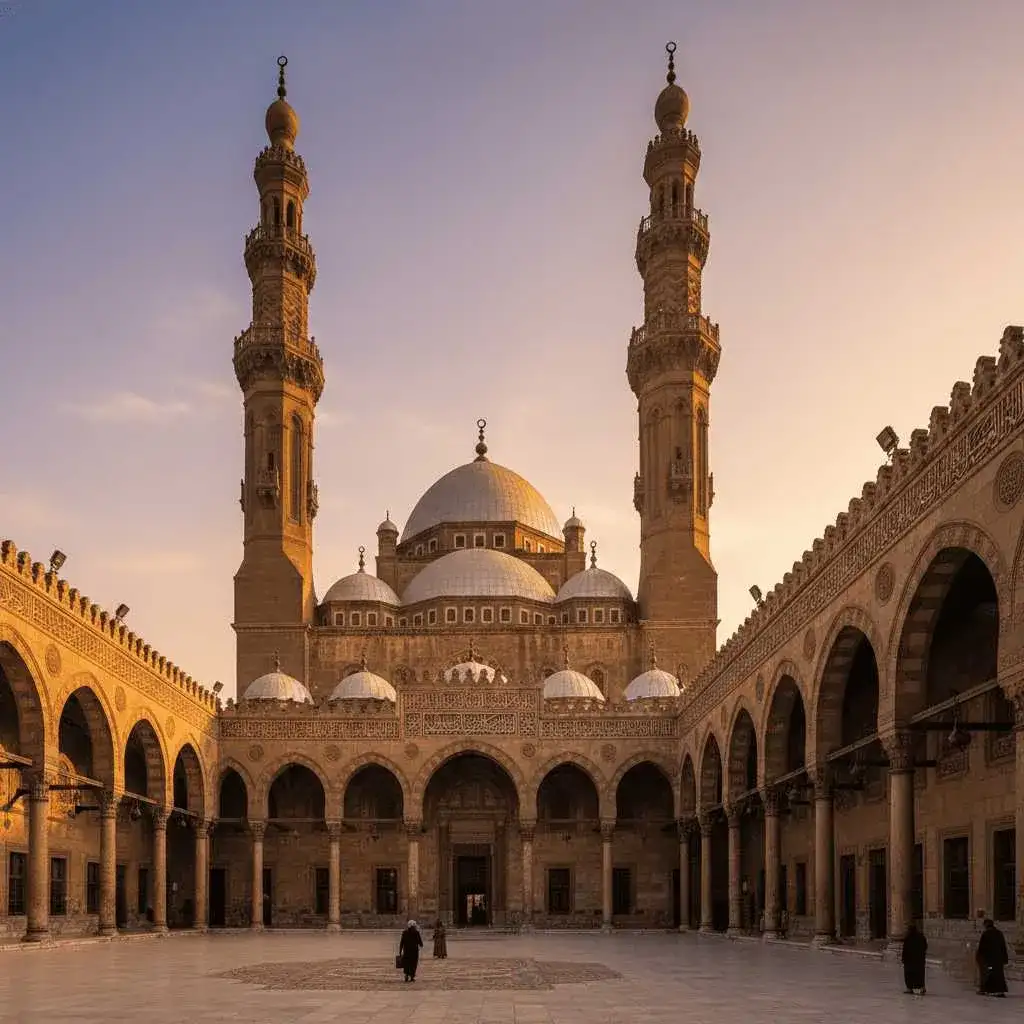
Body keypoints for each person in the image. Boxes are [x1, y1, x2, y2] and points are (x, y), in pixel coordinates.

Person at [976, 918, 1009, 996]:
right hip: (998, 959)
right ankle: (1000, 991)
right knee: (998, 974)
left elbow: (982, 948)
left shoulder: (986, 934)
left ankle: (986, 990)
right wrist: (1005, 958)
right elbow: (1003, 947)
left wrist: (979, 957)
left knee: (987, 974)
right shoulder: (999, 933)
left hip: (989, 959)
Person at [901, 922, 928, 995]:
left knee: (910, 975)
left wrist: (903, 958)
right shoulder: (920, 937)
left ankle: (911, 988)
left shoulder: (908, 938)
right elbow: (925, 946)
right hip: (918, 960)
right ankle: (920, 988)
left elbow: (905, 949)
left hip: (911, 960)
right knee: (919, 975)